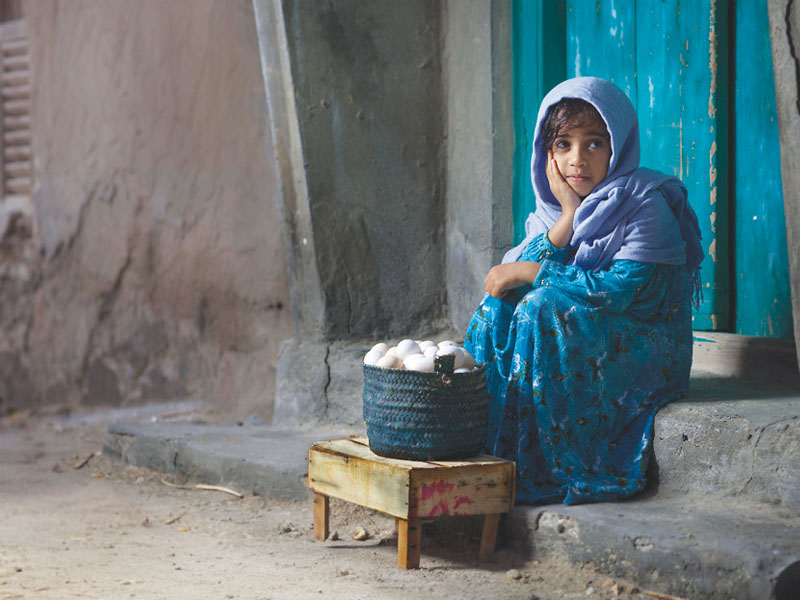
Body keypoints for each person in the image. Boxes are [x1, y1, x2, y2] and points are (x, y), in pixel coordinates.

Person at [464, 77, 704, 505]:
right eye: (563, 144)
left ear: (617, 147)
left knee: (542, 306)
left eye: (594, 143)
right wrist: (568, 218)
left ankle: (545, 465)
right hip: (590, 332)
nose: (577, 160)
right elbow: (502, 279)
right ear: (547, 152)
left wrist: (535, 272)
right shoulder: (552, 209)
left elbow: (624, 290)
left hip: (646, 346)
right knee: (500, 305)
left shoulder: (643, 202)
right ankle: (488, 450)